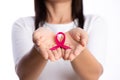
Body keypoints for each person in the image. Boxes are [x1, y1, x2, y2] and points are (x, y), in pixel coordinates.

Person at [12, 0, 107, 80]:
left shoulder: (93, 22)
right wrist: (39, 47)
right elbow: (24, 76)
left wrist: (78, 46)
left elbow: (94, 75)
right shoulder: (23, 25)